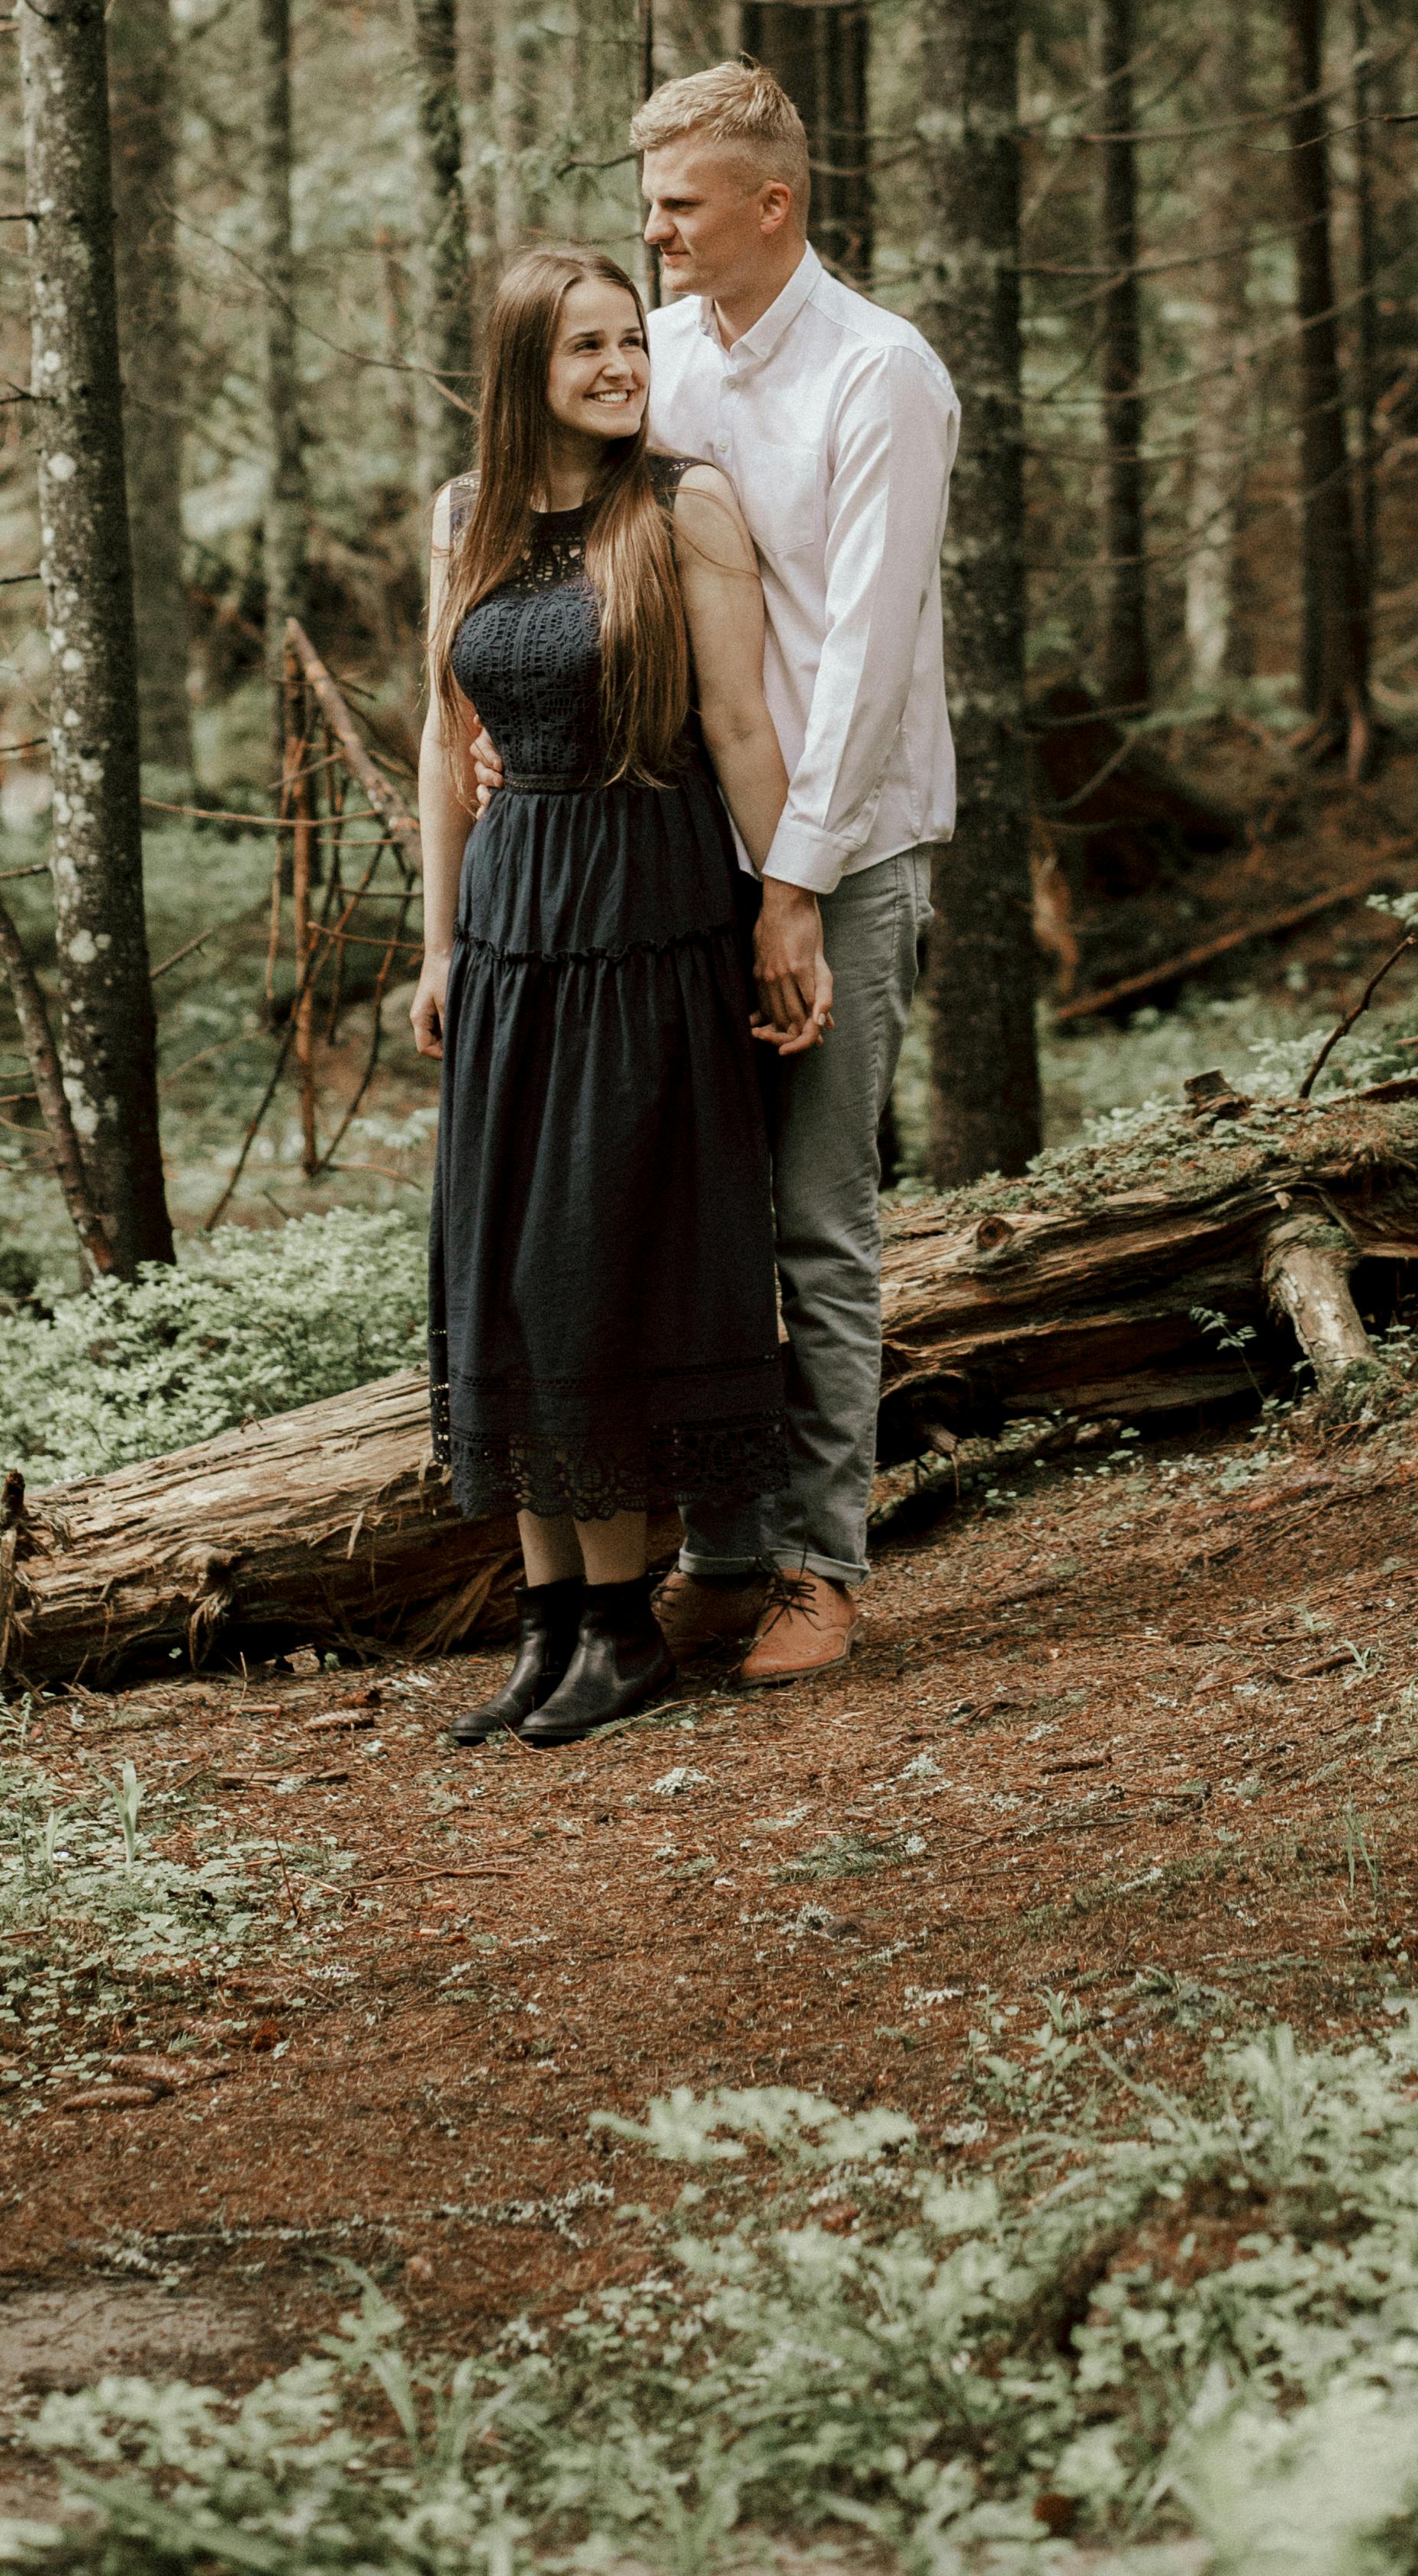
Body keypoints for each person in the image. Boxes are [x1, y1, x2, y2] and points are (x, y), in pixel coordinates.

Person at [409, 240, 833, 1750]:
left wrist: (789, 909)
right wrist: (441, 941)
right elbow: (438, 739)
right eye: (581, 347)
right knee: (509, 1261)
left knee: (602, 1257)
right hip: (517, 918)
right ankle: (546, 1625)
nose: (615, 369)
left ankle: (621, 1627)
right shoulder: (462, 517)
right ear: (522, 368)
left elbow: (737, 723)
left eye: (626, 344)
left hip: (649, 904)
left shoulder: (683, 507)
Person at [633, 62, 958, 1687]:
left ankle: (824, 1568)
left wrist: (799, 885)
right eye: (650, 203)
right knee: (701, 1219)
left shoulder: (881, 375)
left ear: (774, 206)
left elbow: (869, 661)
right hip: (688, 856)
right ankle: (717, 1551)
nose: (654, 230)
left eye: (680, 203)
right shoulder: (667, 357)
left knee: (818, 1226)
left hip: (849, 853)